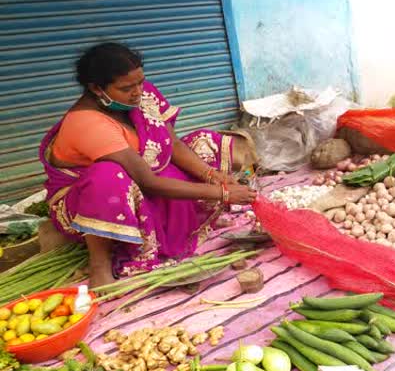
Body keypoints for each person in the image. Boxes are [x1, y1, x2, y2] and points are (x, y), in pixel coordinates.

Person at [39, 42, 257, 287]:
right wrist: (223, 193)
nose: (138, 92)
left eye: (140, 82)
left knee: (205, 142)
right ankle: (99, 263)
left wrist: (212, 176)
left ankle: (184, 221)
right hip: (92, 203)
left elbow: (170, 143)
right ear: (96, 88)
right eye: (126, 88)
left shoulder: (141, 95)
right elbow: (148, 182)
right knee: (108, 175)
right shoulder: (87, 124)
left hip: (138, 175)